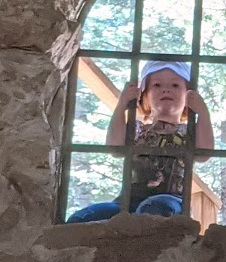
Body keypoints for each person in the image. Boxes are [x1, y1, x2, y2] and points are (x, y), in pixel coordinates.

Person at [67, 60, 214, 223]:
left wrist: (203, 112)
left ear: (188, 95)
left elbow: (204, 154)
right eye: (157, 85)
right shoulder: (137, 129)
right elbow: (115, 148)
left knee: (153, 209)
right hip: (128, 200)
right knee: (81, 218)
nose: (166, 89)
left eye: (175, 85)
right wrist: (122, 105)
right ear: (144, 95)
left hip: (170, 199)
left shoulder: (188, 132)